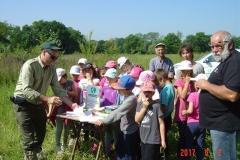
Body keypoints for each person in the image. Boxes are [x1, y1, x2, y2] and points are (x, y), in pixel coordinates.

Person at [12, 41, 78, 159]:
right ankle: (30, 155)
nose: (55, 59)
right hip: (23, 104)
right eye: (52, 56)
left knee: (41, 133)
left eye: (56, 57)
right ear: (44, 52)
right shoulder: (30, 65)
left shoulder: (52, 69)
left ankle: (37, 153)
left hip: (38, 104)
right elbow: (27, 90)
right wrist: (47, 99)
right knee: (29, 137)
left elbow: (58, 90)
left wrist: (72, 104)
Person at [196, 30, 240, 160]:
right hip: (219, 123)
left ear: (230, 45)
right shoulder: (227, 61)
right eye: (212, 46)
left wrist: (206, 85)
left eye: (218, 46)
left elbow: (232, 94)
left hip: (224, 125)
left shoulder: (234, 63)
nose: (214, 50)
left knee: (223, 157)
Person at [94, 75, 140, 160]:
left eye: (120, 89)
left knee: (128, 154)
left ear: (128, 90)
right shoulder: (127, 97)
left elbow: (119, 112)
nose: (117, 90)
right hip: (125, 129)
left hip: (130, 131)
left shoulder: (131, 100)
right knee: (119, 149)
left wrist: (104, 120)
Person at [135, 81, 166, 160]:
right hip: (143, 138)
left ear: (153, 93)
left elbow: (161, 123)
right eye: (145, 91)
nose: (147, 93)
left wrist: (163, 140)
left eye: (149, 91)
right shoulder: (140, 105)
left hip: (153, 139)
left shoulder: (156, 106)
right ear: (142, 92)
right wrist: (144, 108)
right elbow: (137, 120)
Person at [52, 68, 78, 154]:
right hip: (60, 107)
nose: (59, 81)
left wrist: (66, 92)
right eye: (58, 79)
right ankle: (57, 146)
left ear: (65, 76)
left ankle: (65, 144)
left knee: (67, 127)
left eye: (61, 79)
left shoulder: (70, 83)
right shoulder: (56, 85)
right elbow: (54, 96)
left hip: (70, 107)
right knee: (59, 128)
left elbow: (75, 93)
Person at [173, 60, 195, 159]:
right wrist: (186, 83)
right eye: (183, 71)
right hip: (181, 113)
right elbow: (182, 95)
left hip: (191, 113)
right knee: (183, 136)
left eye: (188, 71)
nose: (186, 73)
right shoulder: (179, 82)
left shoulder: (193, 82)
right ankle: (180, 156)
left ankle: (189, 155)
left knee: (190, 136)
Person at [182, 75, 206, 160]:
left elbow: (190, 110)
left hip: (192, 123)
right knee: (200, 144)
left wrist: (184, 112)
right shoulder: (207, 97)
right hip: (202, 124)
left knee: (188, 144)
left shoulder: (193, 95)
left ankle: (187, 158)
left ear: (197, 84)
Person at [154, 69, 174, 159]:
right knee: (164, 136)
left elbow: (164, 106)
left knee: (162, 137)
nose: (157, 84)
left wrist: (157, 114)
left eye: (157, 81)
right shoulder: (171, 87)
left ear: (161, 79)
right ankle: (166, 154)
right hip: (168, 116)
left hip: (164, 117)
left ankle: (163, 154)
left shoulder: (166, 90)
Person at [99, 68, 119, 157]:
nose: (108, 80)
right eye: (107, 78)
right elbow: (99, 97)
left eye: (110, 78)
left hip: (115, 115)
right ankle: (107, 152)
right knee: (107, 133)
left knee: (116, 134)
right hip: (105, 114)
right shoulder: (105, 87)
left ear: (116, 78)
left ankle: (118, 153)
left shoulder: (119, 88)